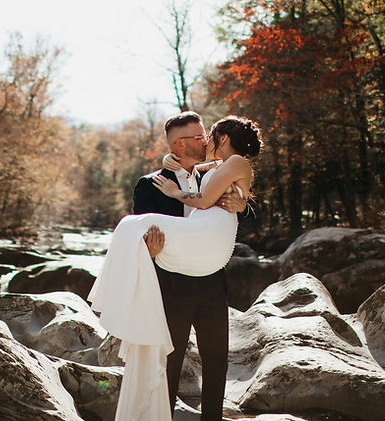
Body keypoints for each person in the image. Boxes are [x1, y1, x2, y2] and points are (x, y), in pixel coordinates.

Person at [87, 113, 262, 421]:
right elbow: (147, 231)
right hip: (172, 283)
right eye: (198, 136)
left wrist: (243, 206)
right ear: (179, 144)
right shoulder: (150, 184)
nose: (205, 139)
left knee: (217, 359)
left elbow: (248, 205)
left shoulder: (218, 169)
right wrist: (150, 250)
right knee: (168, 360)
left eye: (206, 134)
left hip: (211, 279)